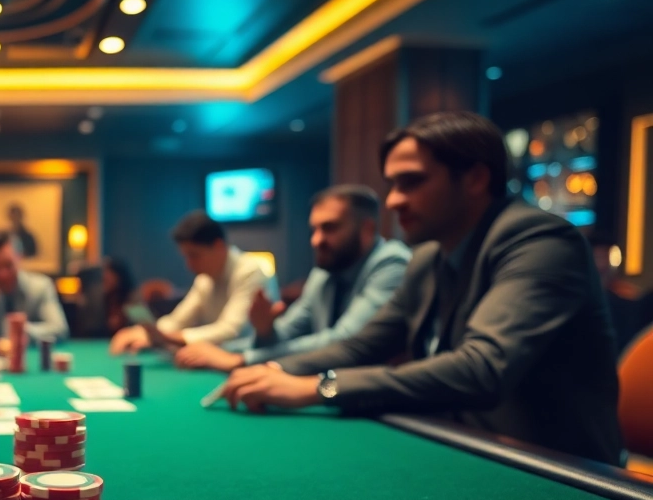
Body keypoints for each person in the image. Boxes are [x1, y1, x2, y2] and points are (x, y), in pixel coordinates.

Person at [222, 111, 623, 466]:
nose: (393, 201)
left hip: (554, 470)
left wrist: (319, 387)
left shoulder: (540, 241)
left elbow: (481, 368)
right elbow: (361, 347)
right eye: (391, 184)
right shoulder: (429, 257)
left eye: (411, 182)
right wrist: (273, 370)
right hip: (462, 445)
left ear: (476, 179)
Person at [175, 185, 411, 370]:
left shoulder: (392, 263)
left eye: (329, 228)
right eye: (314, 230)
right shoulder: (324, 272)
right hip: (331, 387)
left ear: (367, 230)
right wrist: (265, 331)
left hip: (382, 404)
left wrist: (241, 358)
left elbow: (345, 341)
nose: (316, 240)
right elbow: (287, 332)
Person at [110, 211, 271, 354]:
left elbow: (231, 331)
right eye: (186, 257)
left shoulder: (250, 271)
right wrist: (140, 332)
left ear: (219, 246)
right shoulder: (205, 279)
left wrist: (169, 338)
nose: (189, 265)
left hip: (255, 361)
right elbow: (177, 321)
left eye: (194, 255)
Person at [101, 257, 136, 336]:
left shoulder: (132, 298)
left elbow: (143, 324)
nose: (104, 276)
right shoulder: (102, 298)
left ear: (119, 277)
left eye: (107, 279)